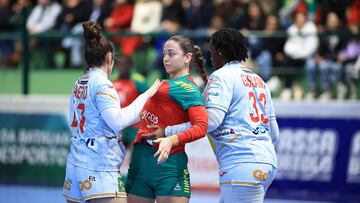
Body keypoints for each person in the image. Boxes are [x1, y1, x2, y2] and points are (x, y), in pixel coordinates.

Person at [145, 27, 279, 203]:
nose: (210, 56)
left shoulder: (222, 76)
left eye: (212, 51)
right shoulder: (259, 80)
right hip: (267, 162)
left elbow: (211, 121)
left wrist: (168, 132)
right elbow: (274, 133)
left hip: (241, 164)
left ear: (220, 52)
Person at [63, 21, 161, 203]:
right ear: (109, 57)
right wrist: (145, 96)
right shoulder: (103, 83)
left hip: (76, 163)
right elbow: (118, 121)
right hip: (98, 166)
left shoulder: (79, 82)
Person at [125, 35, 209, 203]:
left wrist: (171, 139)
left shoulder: (187, 89)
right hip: (140, 161)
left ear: (187, 57)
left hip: (169, 164)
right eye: (164, 54)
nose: (165, 59)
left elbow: (201, 127)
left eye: (171, 54)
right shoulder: (161, 84)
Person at [112, 55, 149, 146]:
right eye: (120, 65)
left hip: (135, 126)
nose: (122, 67)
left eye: (125, 65)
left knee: (135, 154)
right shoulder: (112, 81)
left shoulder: (138, 80)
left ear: (130, 66)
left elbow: (149, 98)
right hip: (119, 126)